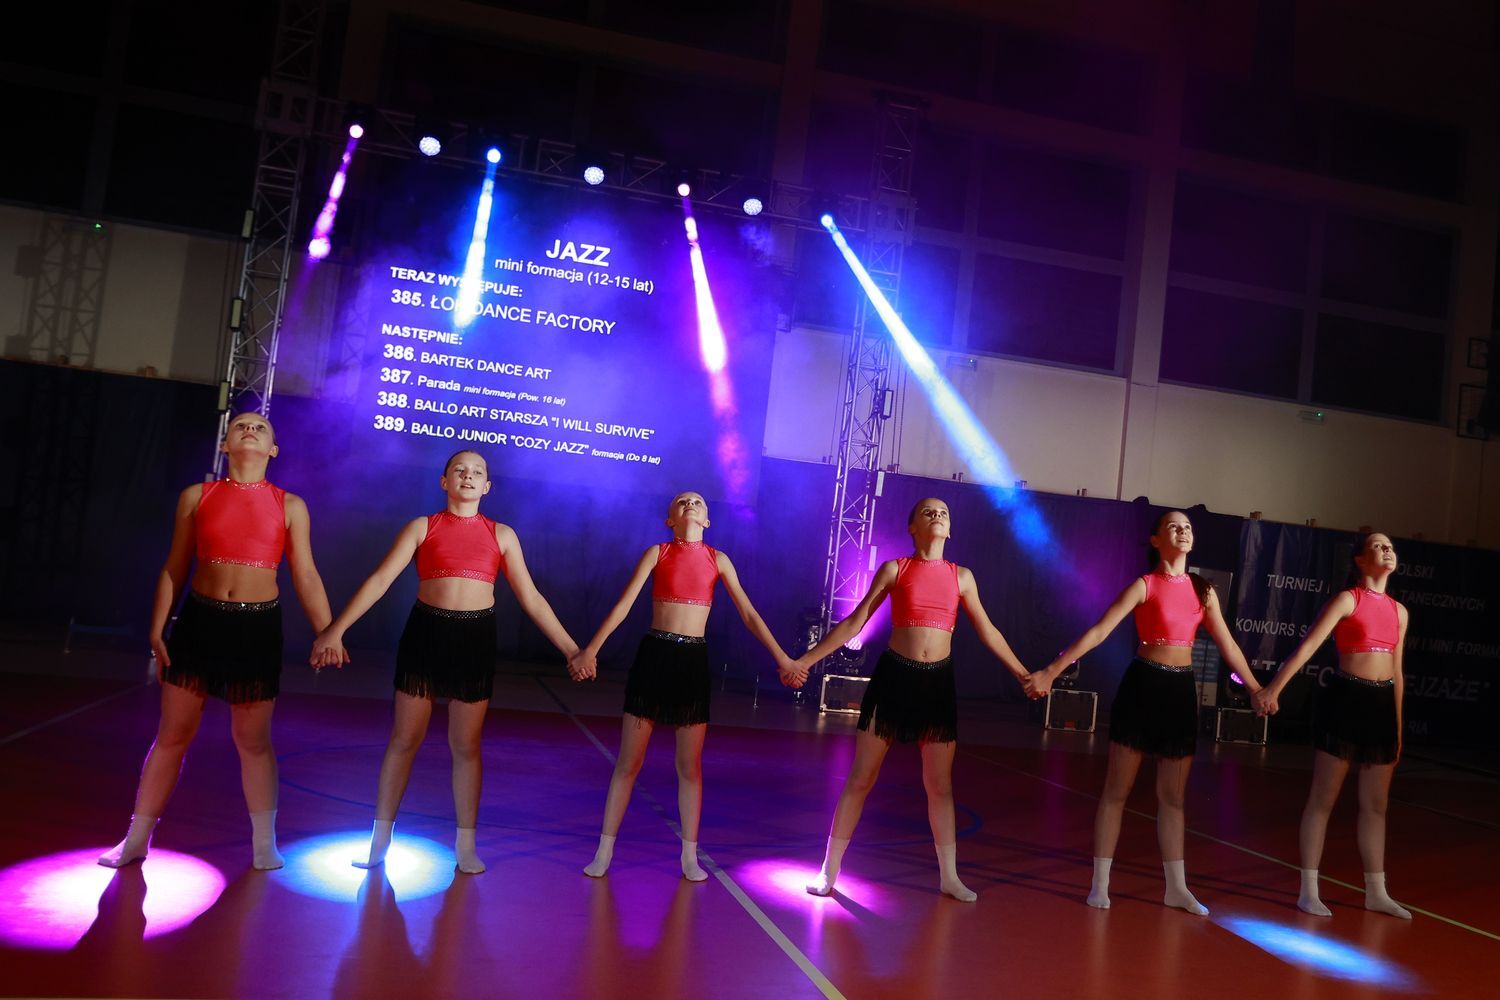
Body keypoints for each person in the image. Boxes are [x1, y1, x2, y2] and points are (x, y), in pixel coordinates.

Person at [312, 450, 588, 874]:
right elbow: (380, 580)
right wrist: (336, 630)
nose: (468, 476)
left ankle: (466, 845)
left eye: (477, 472)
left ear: (487, 486)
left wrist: (571, 649)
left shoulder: (502, 535)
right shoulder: (422, 527)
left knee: (466, 745)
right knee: (404, 739)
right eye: (459, 469)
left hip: (474, 640)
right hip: (426, 634)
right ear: (444, 481)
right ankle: (379, 840)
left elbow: (531, 598)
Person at [99, 412, 339, 871]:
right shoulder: (197, 496)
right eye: (240, 426)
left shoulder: (290, 505)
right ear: (225, 445)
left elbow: (306, 574)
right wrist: (157, 628)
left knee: (252, 740)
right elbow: (175, 565)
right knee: (173, 734)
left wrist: (329, 631)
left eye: (261, 428)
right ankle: (136, 838)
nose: (250, 429)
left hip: (256, 628)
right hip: (199, 622)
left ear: (273, 450)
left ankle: (264, 844)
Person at [1025, 510, 1262, 914]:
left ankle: (1177, 888)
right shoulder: (1144, 585)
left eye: (1187, 527)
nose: (1182, 531)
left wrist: (1256, 688)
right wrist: (1051, 670)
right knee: (1117, 789)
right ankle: (1100, 884)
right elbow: (1100, 631)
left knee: (1173, 797)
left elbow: (1229, 645)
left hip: (1180, 692)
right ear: (1155, 540)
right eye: (1173, 526)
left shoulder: (1203, 591)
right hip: (1142, 686)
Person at [798, 498, 1030, 902]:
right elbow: (855, 621)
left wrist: (1023, 674)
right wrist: (805, 661)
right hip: (894, 679)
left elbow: (988, 630)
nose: (937, 515)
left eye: (944, 512)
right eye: (928, 512)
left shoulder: (962, 577)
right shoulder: (895, 569)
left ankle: (949, 877)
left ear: (950, 530)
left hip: (936, 685)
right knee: (861, 777)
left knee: (939, 785)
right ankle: (828, 870)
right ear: (912, 527)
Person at [578, 491, 800, 882]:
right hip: (654, 656)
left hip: (693, 661)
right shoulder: (657, 552)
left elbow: (749, 614)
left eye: (697, 501)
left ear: (708, 520)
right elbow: (624, 605)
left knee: (689, 766)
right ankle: (604, 851)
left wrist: (782, 658)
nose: (690, 504)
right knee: (629, 761)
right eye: (682, 502)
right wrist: (591, 650)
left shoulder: (719, 559)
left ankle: (689, 856)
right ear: (670, 519)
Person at [1251, 532, 1411, 919]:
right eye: (1378, 546)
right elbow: (1307, 647)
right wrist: (1273, 689)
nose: (1388, 551)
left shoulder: (1400, 612)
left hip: (1380, 707)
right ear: (1360, 559)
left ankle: (1376, 892)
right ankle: (1309, 890)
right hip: (1346, 700)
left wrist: (1397, 727)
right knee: (1323, 798)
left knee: (1376, 805)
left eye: (1390, 546)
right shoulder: (1347, 600)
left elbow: (1398, 672)